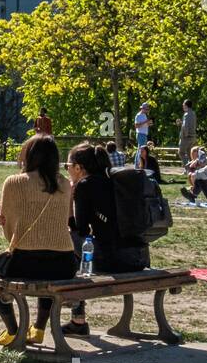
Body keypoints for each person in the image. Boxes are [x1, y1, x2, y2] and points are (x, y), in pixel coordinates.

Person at [0, 134, 76, 347]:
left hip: (26, 261)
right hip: (65, 262)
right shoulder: (65, 184)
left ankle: (12, 330)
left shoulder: (15, 182)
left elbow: (10, 233)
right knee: (48, 278)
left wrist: (5, 223)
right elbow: (61, 221)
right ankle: (39, 328)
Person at [63, 142, 150, 335]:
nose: (67, 169)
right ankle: (77, 318)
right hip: (138, 257)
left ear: (78, 168)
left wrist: (69, 198)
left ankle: (77, 317)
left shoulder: (86, 185)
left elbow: (79, 228)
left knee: (67, 242)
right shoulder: (115, 181)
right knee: (77, 254)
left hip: (114, 260)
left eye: (67, 166)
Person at [133, 103, 152, 167]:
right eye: (146, 109)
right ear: (143, 108)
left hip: (144, 134)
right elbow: (136, 126)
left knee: (140, 150)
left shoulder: (144, 115)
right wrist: (145, 122)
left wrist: (148, 124)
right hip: (140, 134)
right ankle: (137, 165)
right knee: (141, 150)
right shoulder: (138, 115)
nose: (147, 110)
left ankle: (137, 165)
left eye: (148, 109)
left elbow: (144, 124)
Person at [178, 100, 197, 164]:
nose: (182, 106)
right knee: (189, 154)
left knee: (181, 152)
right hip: (193, 137)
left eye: (183, 105)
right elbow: (190, 124)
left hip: (187, 137)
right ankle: (193, 168)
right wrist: (181, 123)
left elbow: (185, 126)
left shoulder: (186, 114)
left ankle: (188, 168)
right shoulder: (193, 113)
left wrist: (185, 135)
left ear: (186, 105)